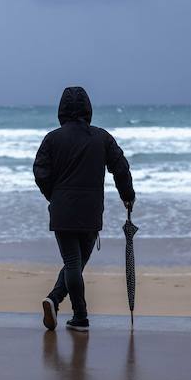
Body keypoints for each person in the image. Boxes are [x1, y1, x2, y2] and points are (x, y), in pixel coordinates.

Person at [33, 86, 135, 332]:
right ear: (88, 109)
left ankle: (59, 302)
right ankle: (77, 315)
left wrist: (54, 196)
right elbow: (121, 168)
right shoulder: (102, 137)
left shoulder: (52, 139)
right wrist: (128, 196)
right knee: (75, 264)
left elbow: (40, 173)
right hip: (91, 211)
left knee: (72, 263)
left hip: (62, 211)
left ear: (61, 110)